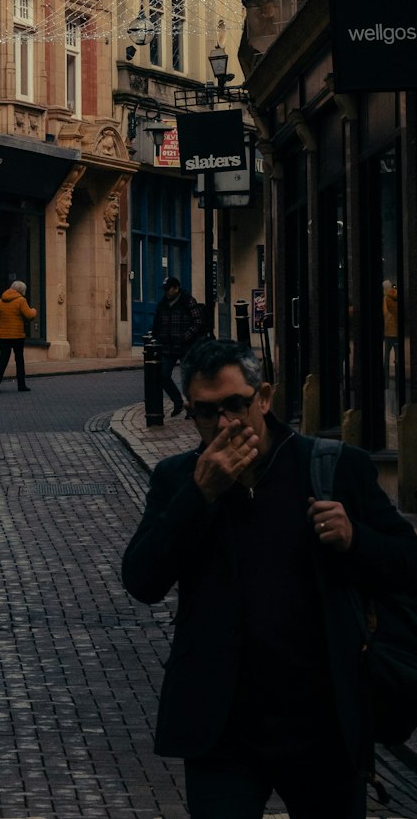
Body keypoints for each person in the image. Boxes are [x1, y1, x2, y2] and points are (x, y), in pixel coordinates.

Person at [122, 337, 417, 819]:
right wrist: (200, 495)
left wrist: (355, 539)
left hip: (324, 728)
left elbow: (408, 562)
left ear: (263, 397)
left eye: (235, 405)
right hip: (223, 733)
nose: (223, 424)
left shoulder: (335, 468)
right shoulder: (179, 478)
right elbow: (142, 580)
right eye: (205, 412)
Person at [150, 276, 204, 417]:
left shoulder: (188, 301)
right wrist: (157, 339)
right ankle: (177, 402)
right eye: (165, 289)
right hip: (168, 347)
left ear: (176, 288)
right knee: (163, 376)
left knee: (188, 378)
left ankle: (191, 407)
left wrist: (185, 337)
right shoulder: (162, 304)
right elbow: (156, 324)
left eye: (169, 289)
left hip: (186, 347)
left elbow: (198, 322)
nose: (166, 292)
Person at [0, 280, 37, 392]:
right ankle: (21, 385)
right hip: (17, 336)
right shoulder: (21, 300)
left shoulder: (1, 300)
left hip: (3, 336)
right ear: (21, 290)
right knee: (19, 360)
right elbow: (29, 315)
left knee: (2, 360)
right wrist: (34, 310)